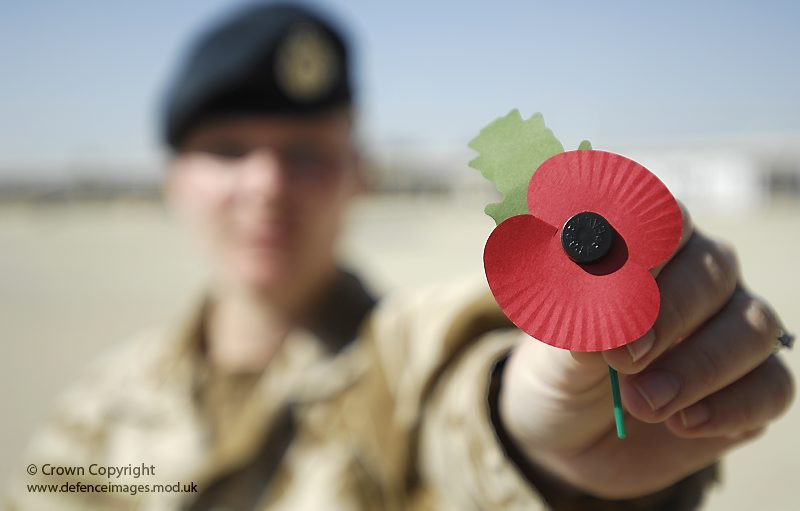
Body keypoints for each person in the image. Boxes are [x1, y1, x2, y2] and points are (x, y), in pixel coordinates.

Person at [6, 2, 795, 510]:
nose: (268, 185)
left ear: (360, 175)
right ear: (173, 178)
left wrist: (542, 438)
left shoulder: (404, 365)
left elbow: (464, 409)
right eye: (228, 148)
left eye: (308, 153)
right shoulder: (95, 407)